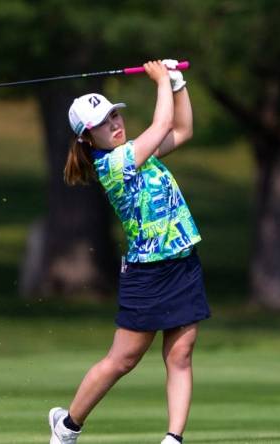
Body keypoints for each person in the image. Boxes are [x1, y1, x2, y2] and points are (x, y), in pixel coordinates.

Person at [49, 59, 210, 444]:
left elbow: (182, 130)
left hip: (183, 263)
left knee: (181, 354)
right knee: (123, 360)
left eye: (115, 116)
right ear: (88, 137)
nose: (116, 124)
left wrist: (177, 81)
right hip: (148, 273)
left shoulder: (140, 153)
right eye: (105, 123)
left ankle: (173, 438)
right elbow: (160, 127)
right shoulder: (115, 164)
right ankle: (68, 425)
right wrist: (159, 82)